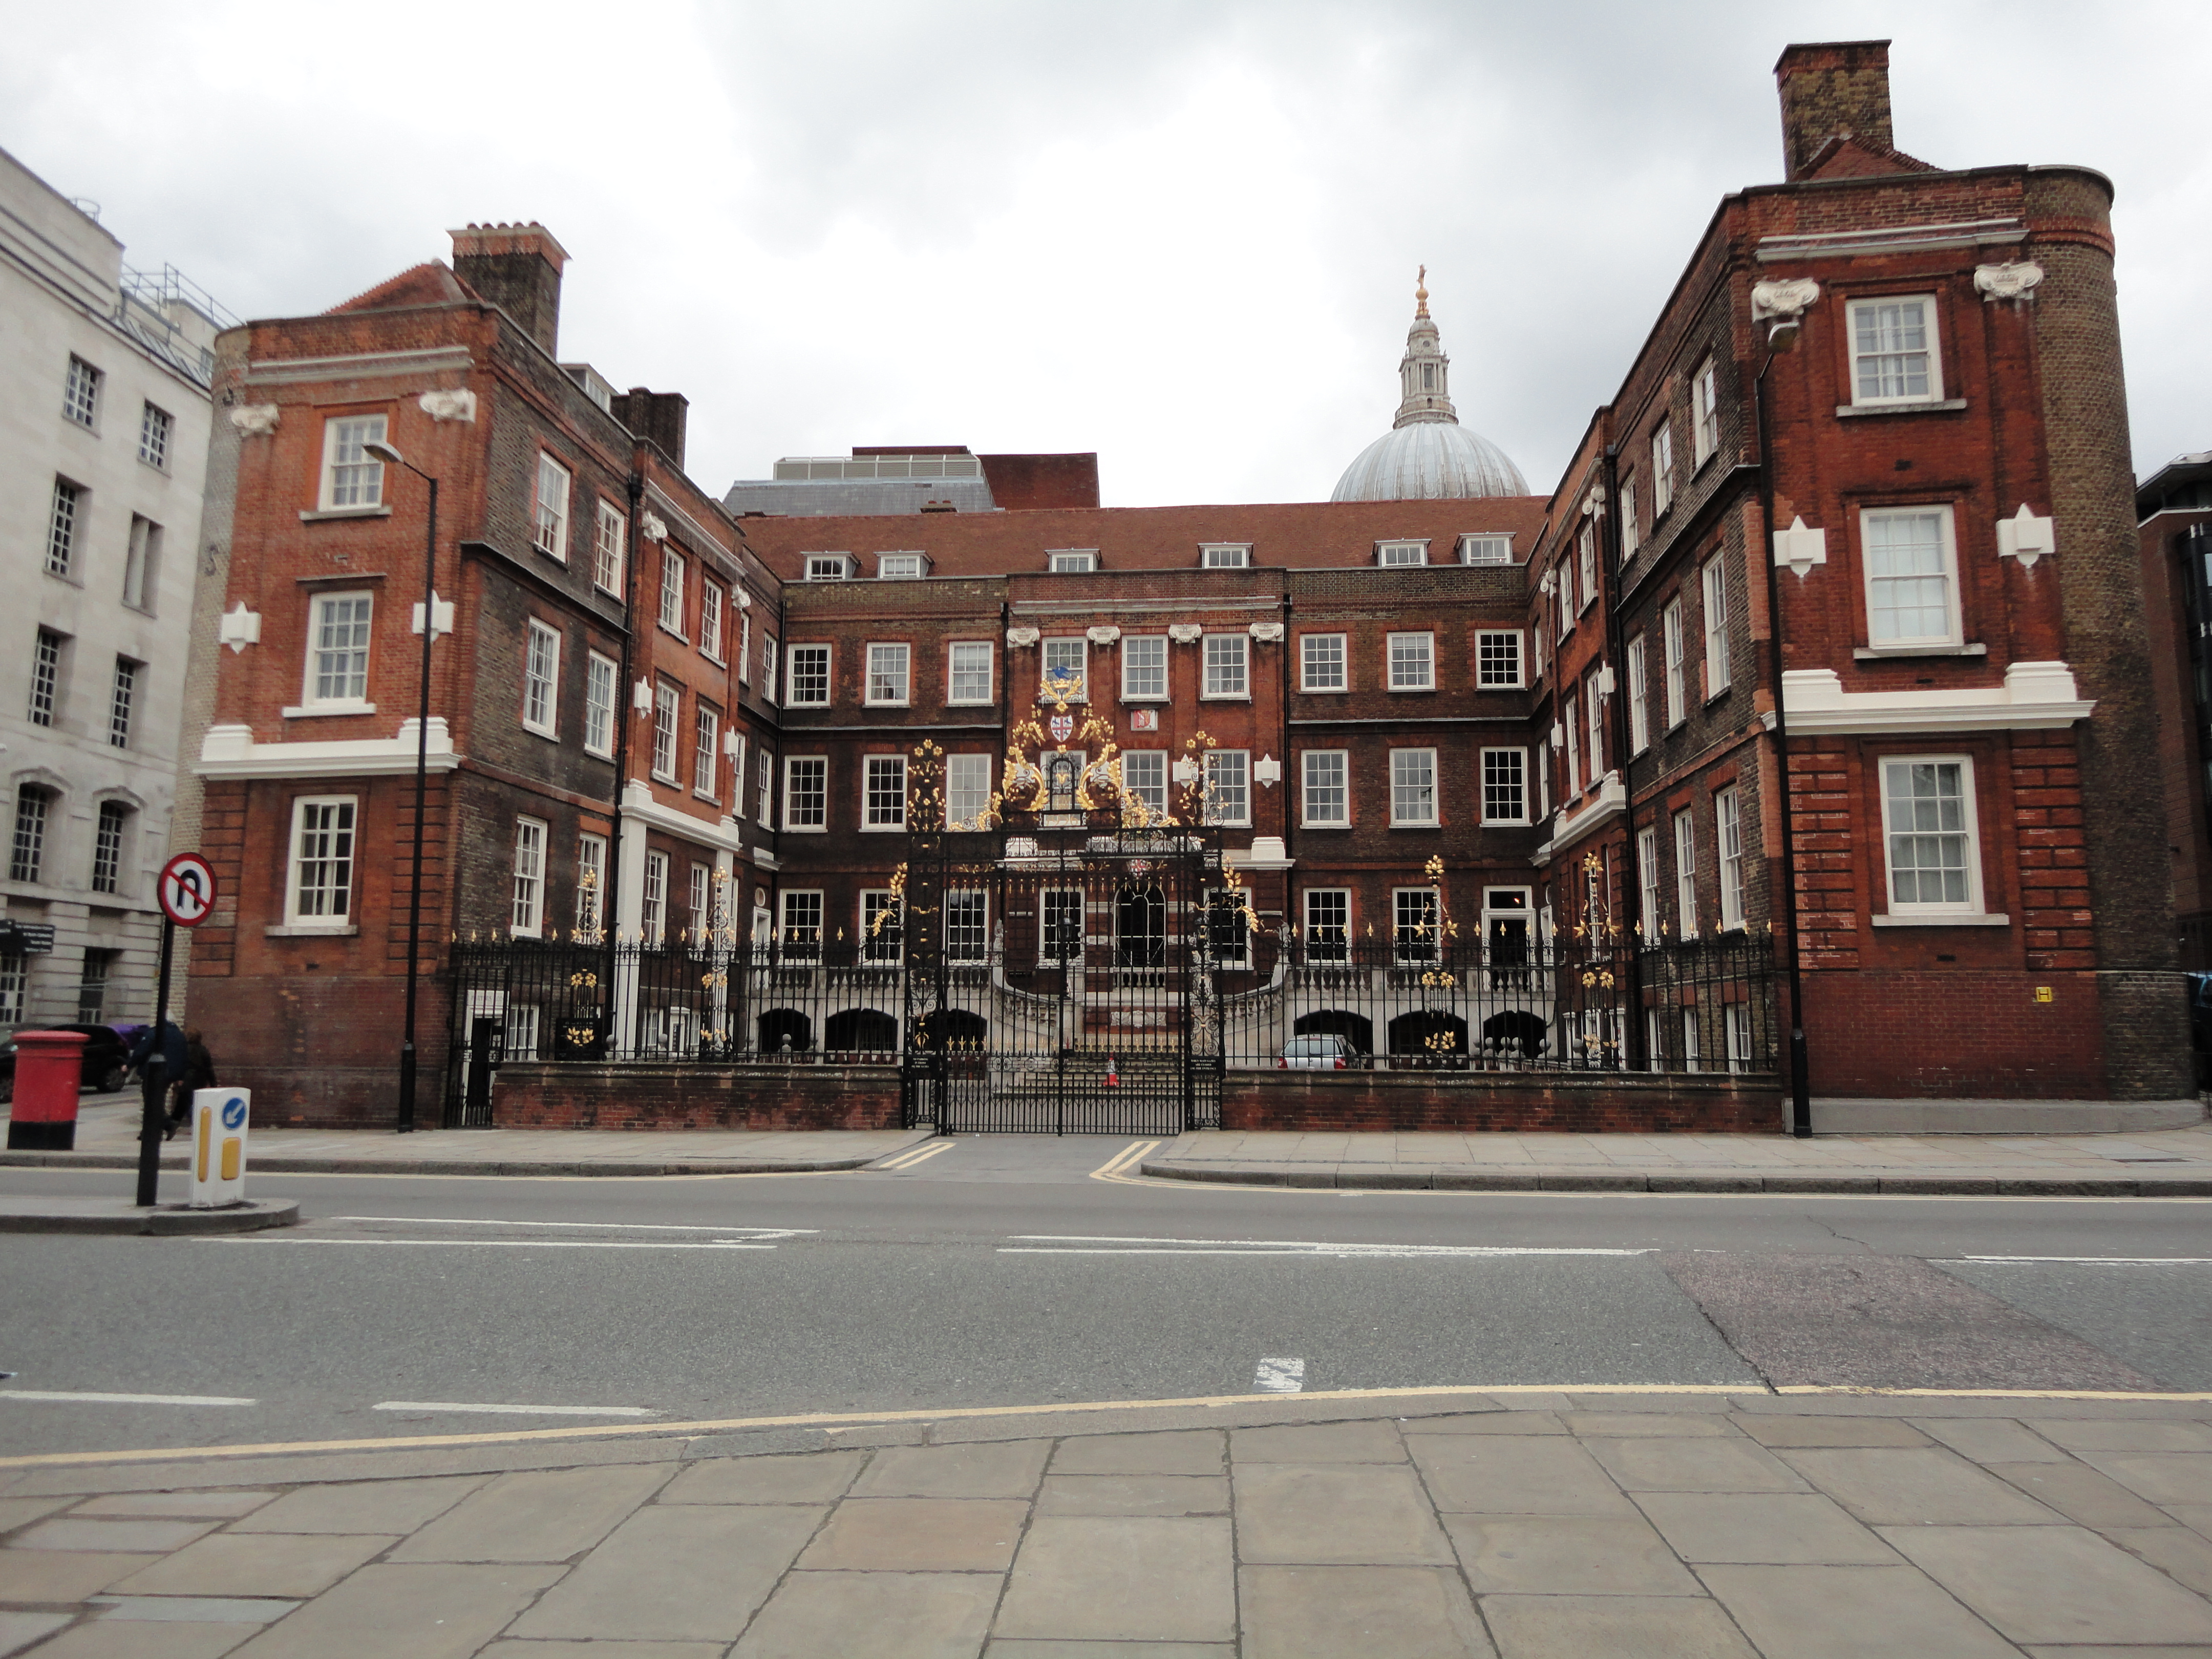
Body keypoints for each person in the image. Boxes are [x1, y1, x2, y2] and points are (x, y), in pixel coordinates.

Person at [128, 1020, 187, 1143]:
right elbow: (183, 1056)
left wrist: (129, 1065)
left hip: (154, 1073)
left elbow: (142, 1051)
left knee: (151, 1103)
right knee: (158, 1101)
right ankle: (151, 1131)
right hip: (171, 1075)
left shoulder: (155, 1033)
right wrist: (180, 1076)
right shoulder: (180, 1035)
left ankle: (166, 1125)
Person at [172, 1028, 218, 1136]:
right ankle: (197, 1125)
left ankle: (183, 1124)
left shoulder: (183, 1050)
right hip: (200, 1080)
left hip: (187, 1080)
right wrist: (213, 1083)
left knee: (186, 1104)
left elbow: (179, 1065)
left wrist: (178, 1079)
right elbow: (209, 1068)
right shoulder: (203, 1050)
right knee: (195, 1103)